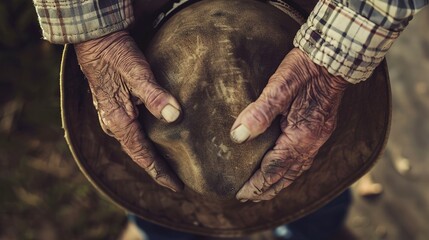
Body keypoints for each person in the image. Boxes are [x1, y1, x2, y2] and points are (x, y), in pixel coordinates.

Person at [32, 0, 428, 238]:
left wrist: (332, 62)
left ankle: (315, 231)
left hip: (312, 25)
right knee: (154, 169)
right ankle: (163, 228)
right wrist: (95, 32)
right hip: (144, 23)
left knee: (306, 146)